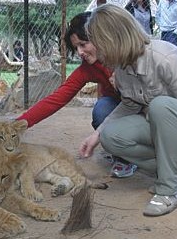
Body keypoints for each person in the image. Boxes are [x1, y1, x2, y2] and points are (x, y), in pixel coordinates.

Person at [80, 4, 177, 216]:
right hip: (167, 124)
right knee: (111, 137)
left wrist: (152, 111)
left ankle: (170, 189)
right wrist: (97, 134)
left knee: (160, 105)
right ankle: (170, 168)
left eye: (97, 42)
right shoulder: (122, 70)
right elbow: (129, 105)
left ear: (113, 38)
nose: (94, 48)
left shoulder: (165, 57)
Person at [16, 12, 138, 178]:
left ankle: (146, 150)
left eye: (83, 44)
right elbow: (56, 99)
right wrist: (17, 125)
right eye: (76, 48)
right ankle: (123, 157)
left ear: (101, 37)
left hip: (140, 105)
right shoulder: (88, 68)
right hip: (118, 106)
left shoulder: (127, 54)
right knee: (101, 109)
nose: (80, 52)